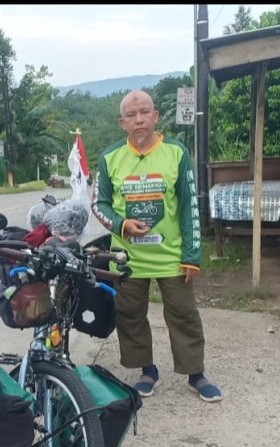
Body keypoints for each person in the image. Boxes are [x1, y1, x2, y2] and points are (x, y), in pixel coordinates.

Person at [91, 89, 222, 402]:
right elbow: (99, 204)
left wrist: (192, 255)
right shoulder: (110, 158)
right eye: (132, 115)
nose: (139, 119)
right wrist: (122, 224)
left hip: (171, 257)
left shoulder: (176, 153)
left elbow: (191, 206)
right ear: (122, 122)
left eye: (145, 112)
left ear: (155, 116)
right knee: (130, 314)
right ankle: (147, 371)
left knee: (184, 314)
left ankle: (196, 375)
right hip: (127, 258)